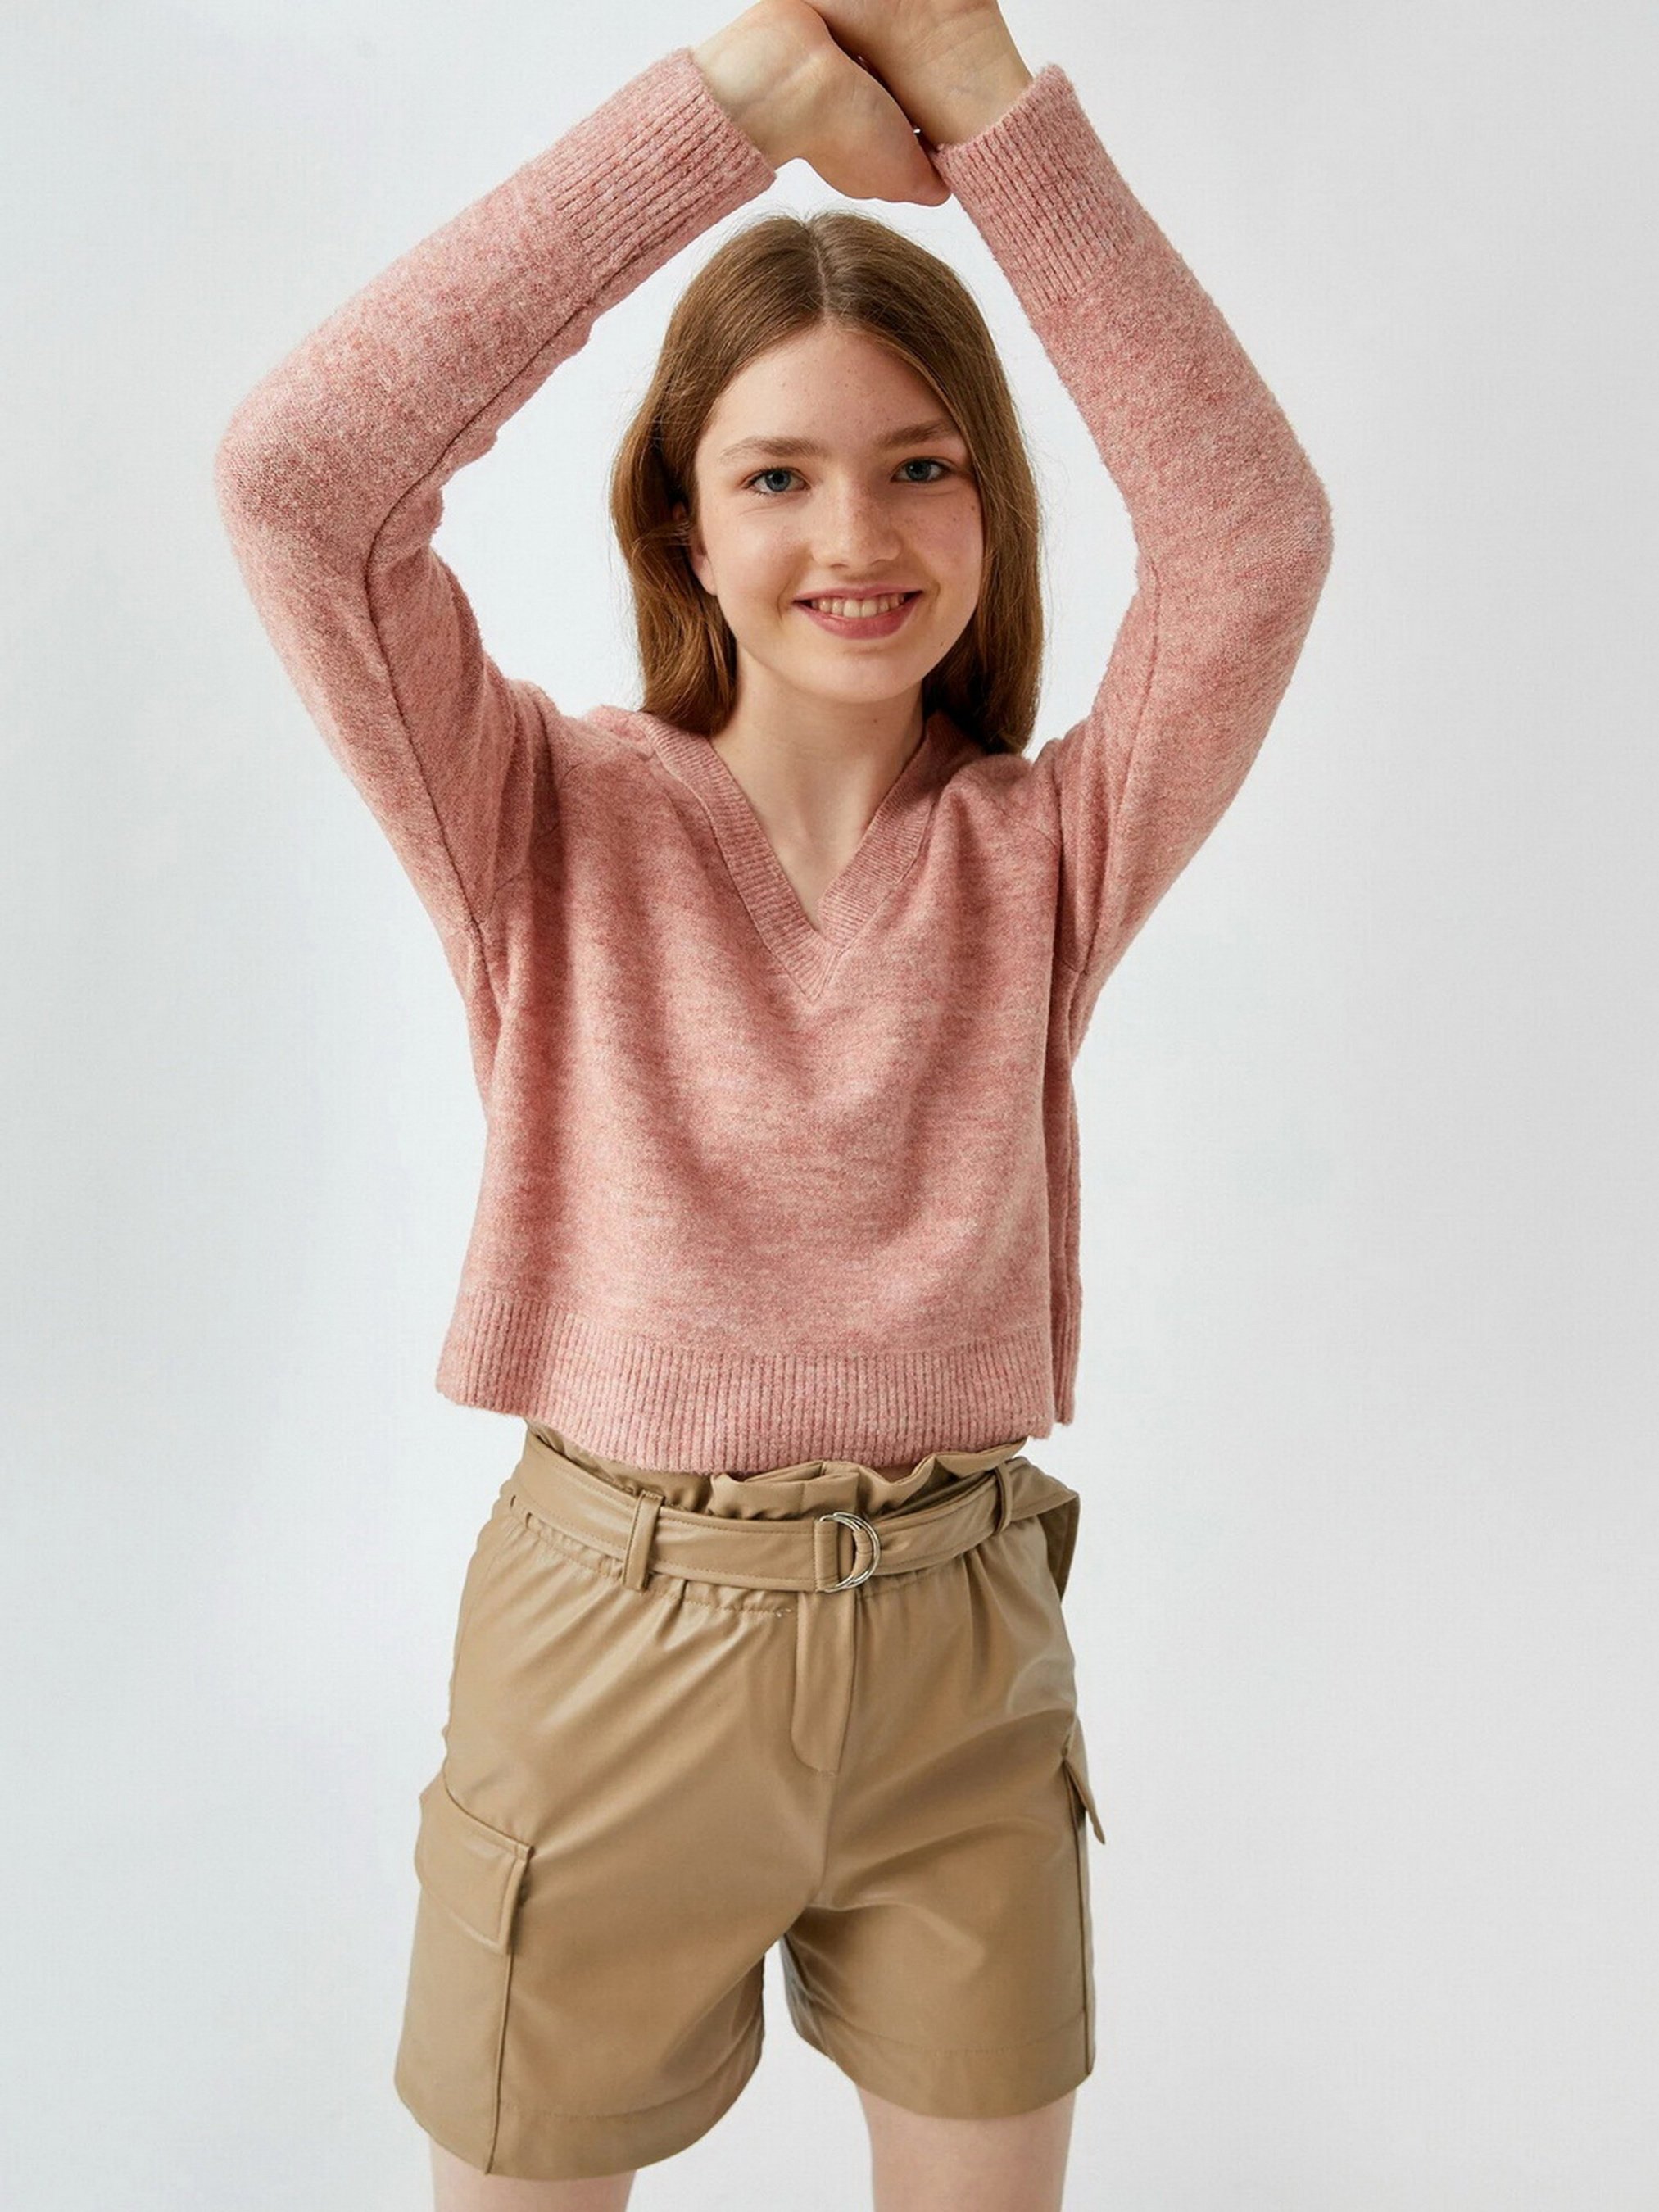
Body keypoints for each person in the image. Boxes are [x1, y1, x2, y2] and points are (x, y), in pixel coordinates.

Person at [213, 1, 1334, 2205]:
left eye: (923, 464)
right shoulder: (532, 817)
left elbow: (1251, 539)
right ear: (683, 522)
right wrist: (727, 117)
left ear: (991, 506)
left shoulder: (1043, 851)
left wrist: (987, 104)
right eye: (777, 474)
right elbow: (299, 479)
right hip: (611, 1647)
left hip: (959, 1658)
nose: (858, 531)